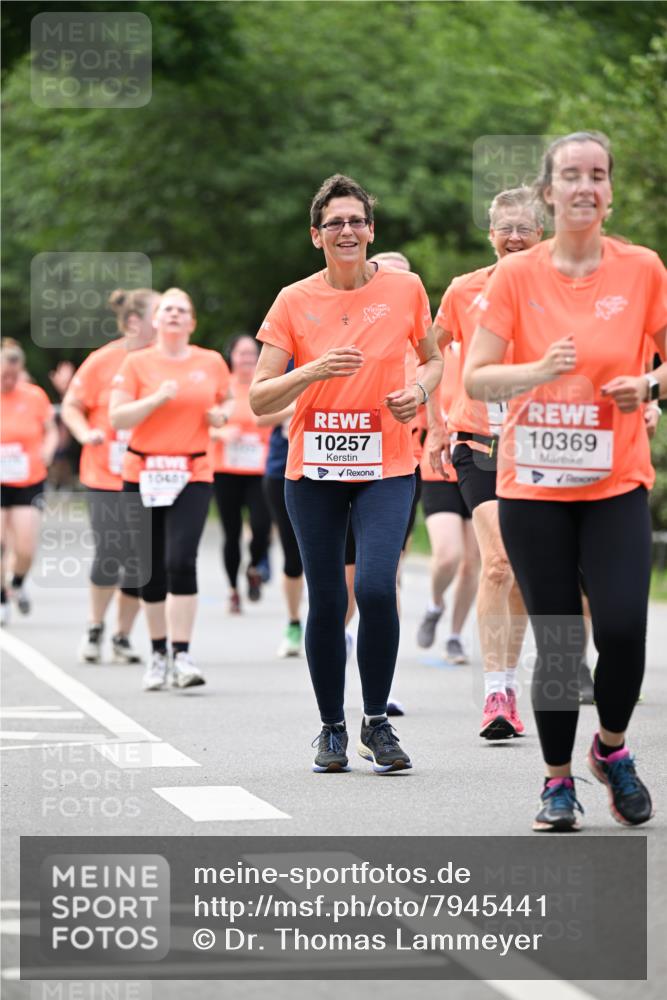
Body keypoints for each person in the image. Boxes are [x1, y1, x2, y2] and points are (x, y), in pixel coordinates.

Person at [464, 131, 667, 830]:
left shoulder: (641, 269)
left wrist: (647, 386)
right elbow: (475, 376)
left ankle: (610, 749)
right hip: (533, 488)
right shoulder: (516, 276)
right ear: (548, 193)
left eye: (597, 175)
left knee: (623, 629)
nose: (585, 186)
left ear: (609, 193)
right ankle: (556, 783)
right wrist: (536, 371)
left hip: (615, 482)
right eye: (571, 175)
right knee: (557, 641)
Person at [250, 174, 442, 774]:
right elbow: (259, 397)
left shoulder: (406, 288)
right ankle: (332, 728)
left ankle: (376, 721)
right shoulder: (293, 300)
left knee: (378, 588)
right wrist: (312, 371)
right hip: (314, 471)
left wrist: (418, 391)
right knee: (329, 599)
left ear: (371, 230)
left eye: (356, 220)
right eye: (334, 222)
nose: (347, 230)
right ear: (317, 236)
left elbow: (435, 359)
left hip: (387, 463)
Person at [429, 187, 543, 739]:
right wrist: (433, 422)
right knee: (497, 562)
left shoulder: (560, 289)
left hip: (540, 444)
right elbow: (427, 352)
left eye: (525, 228)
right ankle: (496, 694)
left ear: (541, 234)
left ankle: (509, 683)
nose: (514, 238)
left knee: (519, 569)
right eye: (506, 228)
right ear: (491, 233)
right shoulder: (464, 289)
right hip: (479, 442)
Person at [109, 288, 231, 691]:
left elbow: (228, 400)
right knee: (150, 565)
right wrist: (156, 400)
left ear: (192, 322)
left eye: (182, 309)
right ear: (156, 320)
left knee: (181, 559)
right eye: (167, 309)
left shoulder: (210, 361)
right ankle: (158, 652)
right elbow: (117, 417)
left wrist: (221, 414)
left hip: (192, 470)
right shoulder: (137, 362)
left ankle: (182, 654)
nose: (175, 314)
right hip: (143, 470)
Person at [62, 288, 160, 664]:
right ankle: (94, 626)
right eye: (158, 313)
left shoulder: (165, 361)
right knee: (111, 550)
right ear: (135, 322)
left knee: (140, 557)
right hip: (104, 473)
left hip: (151, 473)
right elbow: (71, 405)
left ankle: (122, 635)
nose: (166, 319)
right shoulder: (103, 360)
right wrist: (85, 433)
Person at [418, 340, 480, 661]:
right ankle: (435, 603)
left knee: (473, 561)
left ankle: (455, 636)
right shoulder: (437, 355)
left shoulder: (491, 352)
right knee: (447, 556)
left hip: (481, 465)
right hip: (440, 466)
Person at [209, 334, 273, 613]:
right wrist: (221, 433)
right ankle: (233, 590)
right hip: (226, 470)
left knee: (261, 527)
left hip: (260, 469)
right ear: (231, 357)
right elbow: (200, 422)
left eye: (252, 353)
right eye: (242, 353)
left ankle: (254, 566)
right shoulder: (221, 386)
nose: (247, 359)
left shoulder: (266, 384)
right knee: (232, 532)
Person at [1, 338, 58, 624]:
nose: (9, 381)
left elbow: (51, 430)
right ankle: (1, 598)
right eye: (4, 376)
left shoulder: (34, 396)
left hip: (28, 478)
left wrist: (48, 449)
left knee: (25, 547)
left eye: (14, 376)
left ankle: (17, 582)